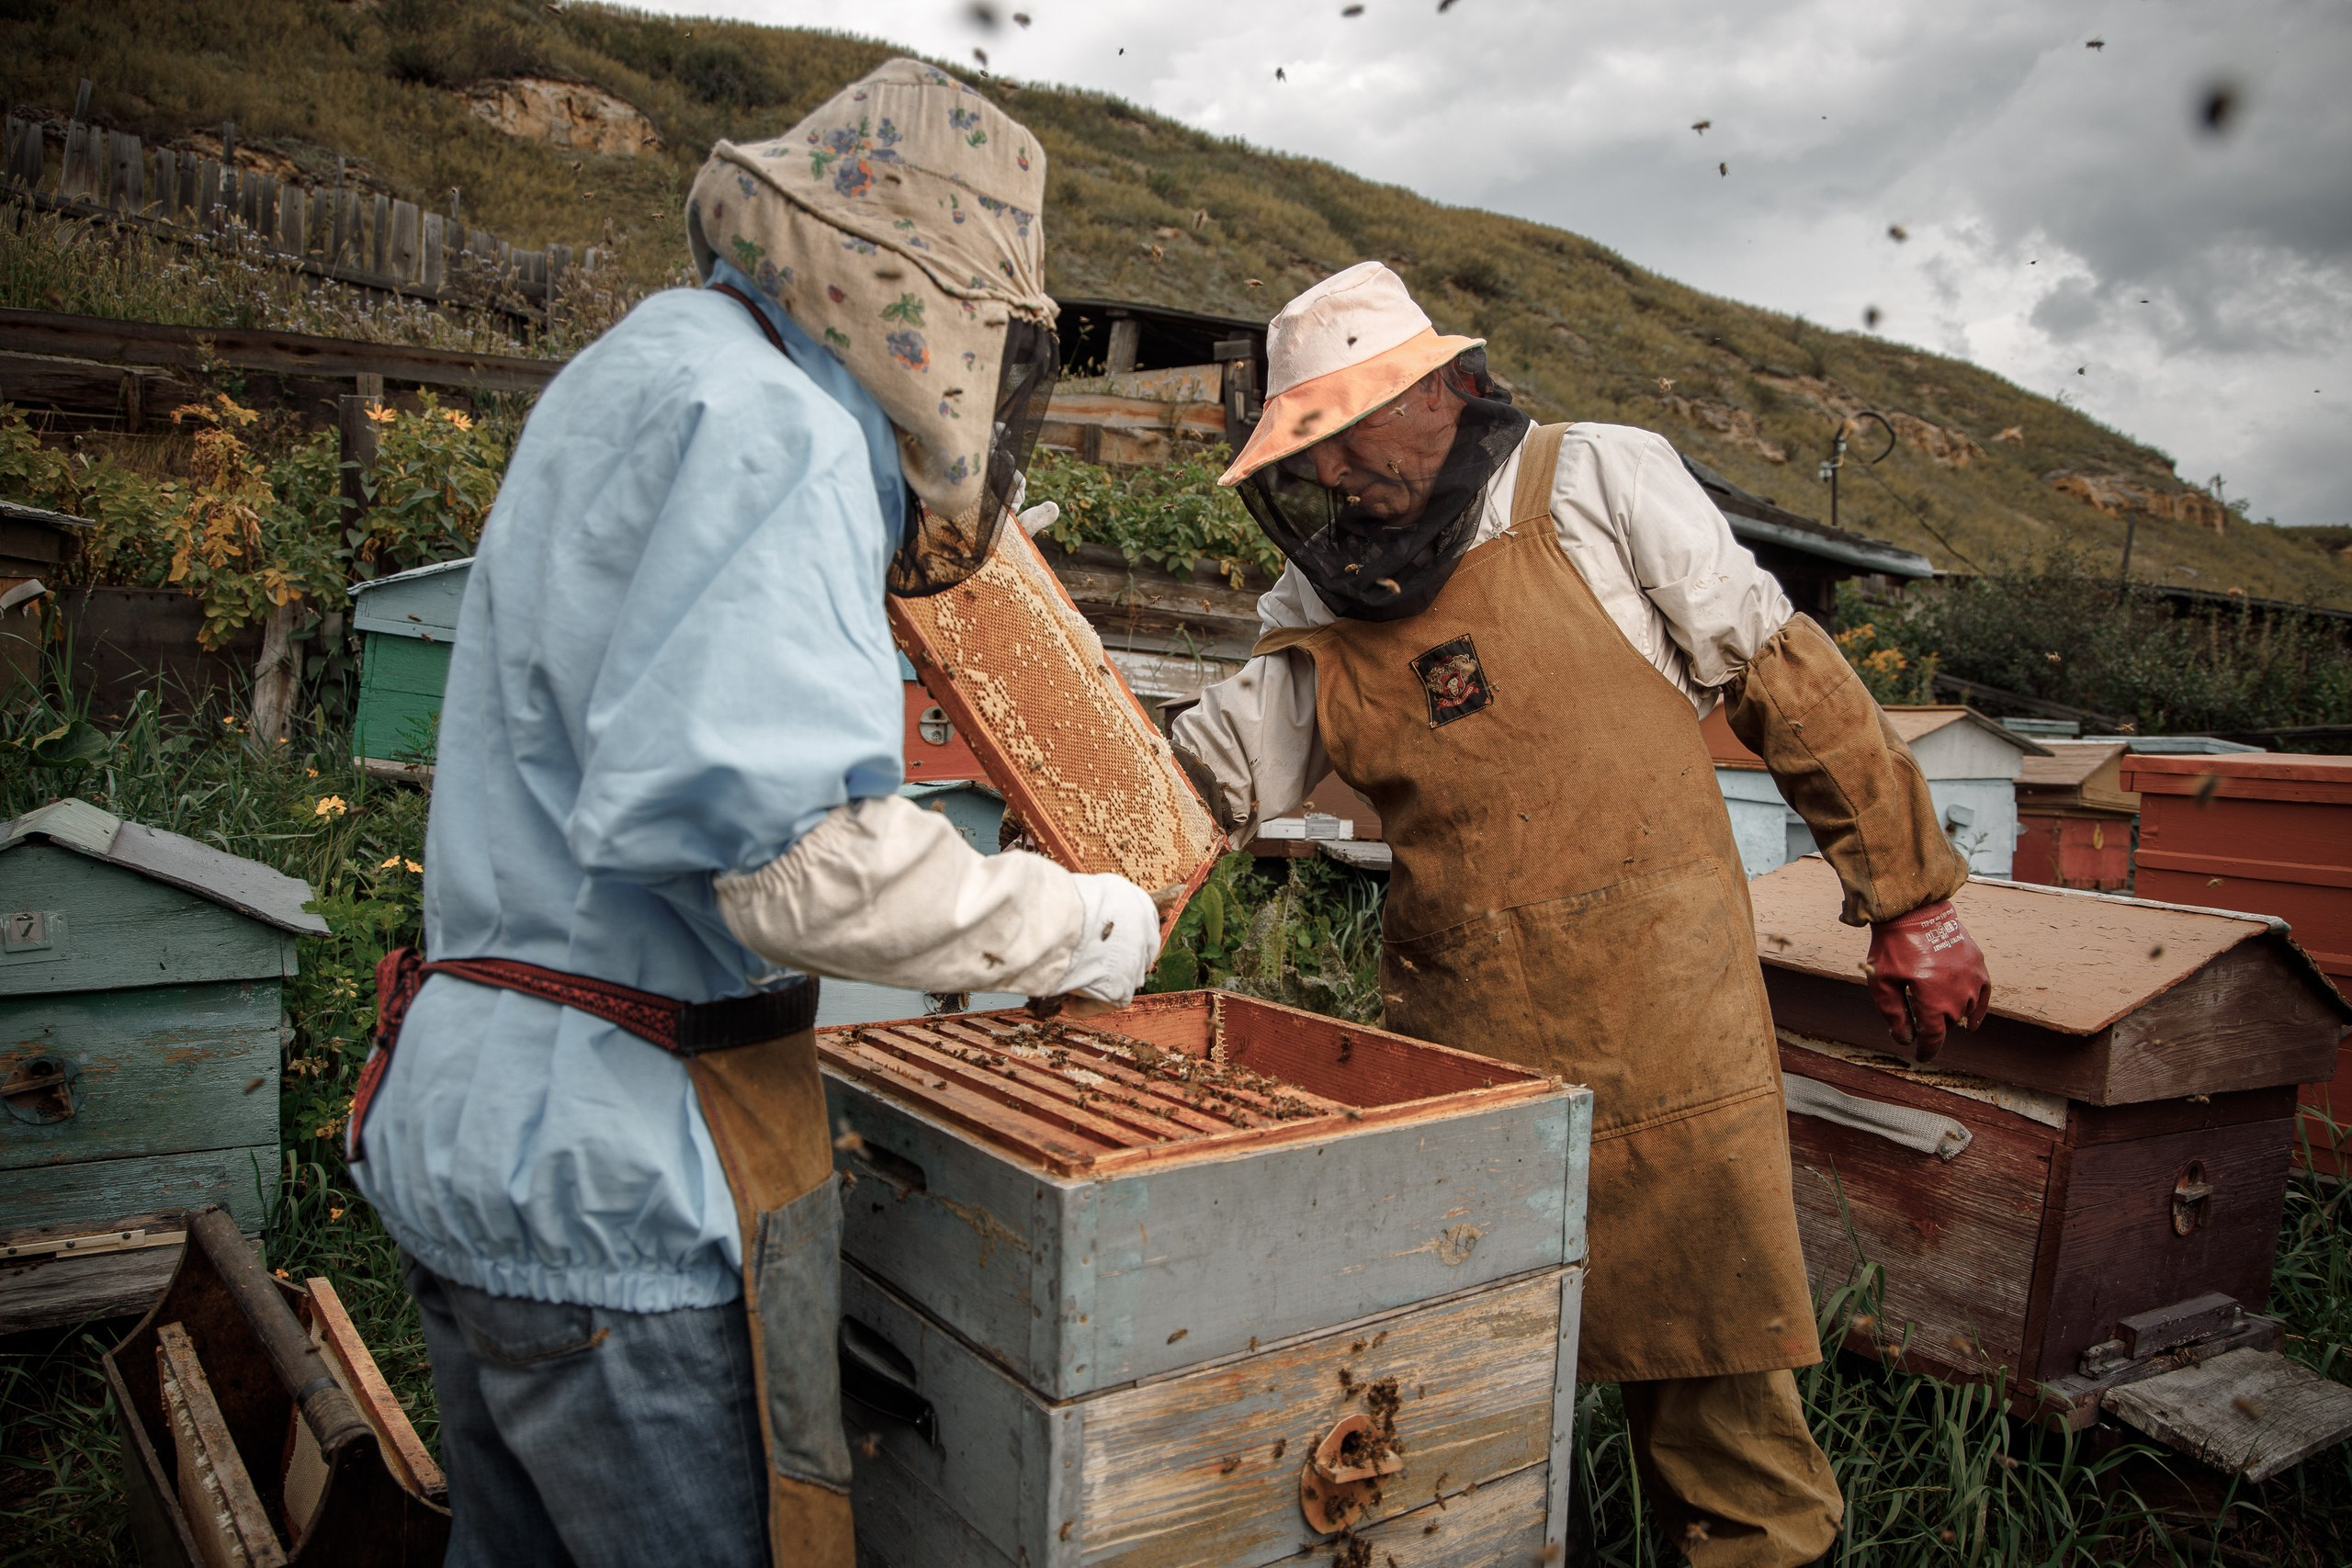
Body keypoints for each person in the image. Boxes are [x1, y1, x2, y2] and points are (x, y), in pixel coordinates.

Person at [347, 61, 1159, 1568]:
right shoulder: (773, 426)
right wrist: (1075, 924)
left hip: (473, 1122)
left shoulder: (634, 371)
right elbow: (796, 868)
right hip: (612, 1180)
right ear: (919, 301)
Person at [1170, 261, 1994, 1568]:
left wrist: (1911, 900)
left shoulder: (1596, 479)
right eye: (1304, 452)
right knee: (1473, 1420)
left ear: (1443, 390)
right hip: (1466, 1061)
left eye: (1343, 436)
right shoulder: (1315, 607)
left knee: (1723, 1410)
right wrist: (1095, 854)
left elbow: (1782, 670)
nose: (1328, 479)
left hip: (1667, 1037)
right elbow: (1217, 767)